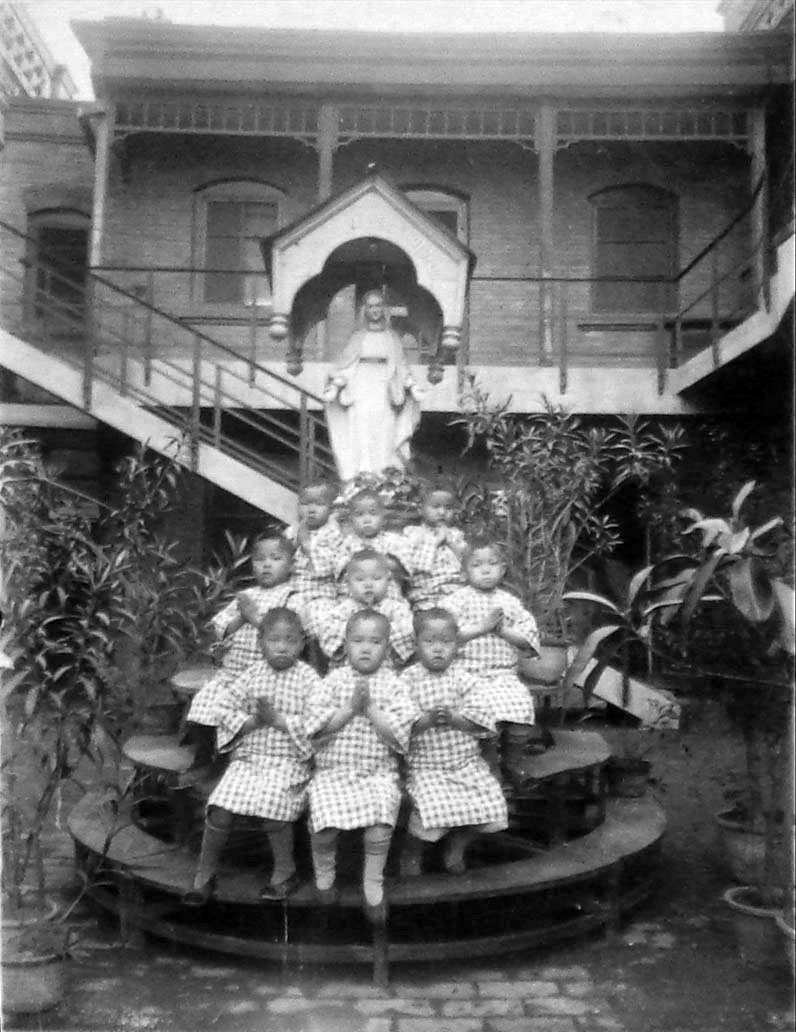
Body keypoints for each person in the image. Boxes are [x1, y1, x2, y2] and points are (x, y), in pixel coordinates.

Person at [183, 607, 319, 905]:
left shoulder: (309, 680)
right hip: (250, 759)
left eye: (290, 640)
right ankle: (205, 874)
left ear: (302, 644)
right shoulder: (252, 675)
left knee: (273, 805)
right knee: (220, 807)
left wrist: (278, 721)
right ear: (260, 643)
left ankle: (285, 871)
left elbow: (317, 723)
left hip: (289, 761)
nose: (282, 647)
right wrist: (252, 722)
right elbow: (223, 707)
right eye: (274, 640)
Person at [304, 609, 415, 924]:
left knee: (382, 813)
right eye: (358, 641)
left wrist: (372, 709)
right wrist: (351, 708)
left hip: (376, 772)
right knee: (323, 815)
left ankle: (372, 882)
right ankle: (324, 876)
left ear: (387, 647)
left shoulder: (394, 685)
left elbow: (399, 734)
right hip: (334, 772)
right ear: (346, 644)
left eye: (375, 642)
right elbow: (316, 729)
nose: (366, 648)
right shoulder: (332, 682)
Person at [401, 608, 508, 877]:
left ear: (457, 644)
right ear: (416, 644)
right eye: (429, 642)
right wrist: (425, 721)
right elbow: (398, 723)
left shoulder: (466, 679)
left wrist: (455, 719)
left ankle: (456, 847)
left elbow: (482, 721)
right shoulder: (407, 679)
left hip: (464, 763)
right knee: (431, 809)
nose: (438, 649)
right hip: (425, 766)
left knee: (491, 805)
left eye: (446, 642)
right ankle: (412, 852)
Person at [184, 531, 303, 734]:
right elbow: (222, 628)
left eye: (275, 559)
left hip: (268, 674)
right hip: (233, 673)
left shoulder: (292, 598)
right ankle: (206, 746)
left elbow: (286, 635)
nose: (266, 564)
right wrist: (241, 617)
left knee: (245, 714)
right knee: (206, 703)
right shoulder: (246, 595)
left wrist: (253, 616)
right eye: (260, 559)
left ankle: (227, 748)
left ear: (291, 565)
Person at [444, 537, 541, 784]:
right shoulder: (456, 601)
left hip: (503, 674)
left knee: (520, 704)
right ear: (464, 571)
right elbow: (445, 637)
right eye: (477, 565)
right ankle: (489, 763)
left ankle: (512, 762)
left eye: (492, 564)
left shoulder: (510, 603)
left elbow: (527, 639)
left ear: (503, 569)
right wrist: (481, 627)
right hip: (467, 674)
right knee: (482, 708)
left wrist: (502, 631)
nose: (485, 570)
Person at [323, 290, 421, 482]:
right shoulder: (358, 337)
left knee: (385, 429)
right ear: (365, 310)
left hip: (384, 388)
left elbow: (401, 366)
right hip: (361, 387)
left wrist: (412, 385)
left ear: (383, 309)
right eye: (370, 306)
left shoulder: (391, 337)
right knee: (362, 429)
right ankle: (363, 474)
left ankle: (384, 475)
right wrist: (334, 386)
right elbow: (346, 366)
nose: (374, 310)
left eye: (378, 306)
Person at [318, 549, 415, 668]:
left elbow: (408, 629)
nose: (368, 584)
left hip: (386, 670)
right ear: (348, 583)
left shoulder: (395, 608)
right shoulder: (343, 609)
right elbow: (328, 631)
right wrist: (362, 632)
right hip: (347, 670)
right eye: (360, 579)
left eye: (376, 578)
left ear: (388, 580)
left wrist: (376, 632)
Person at [287, 478, 344, 640]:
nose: (311, 510)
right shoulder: (294, 529)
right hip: (294, 591)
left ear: (331, 508)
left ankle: (320, 650)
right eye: (305, 504)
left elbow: (331, 565)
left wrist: (307, 544)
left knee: (321, 620)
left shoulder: (332, 532)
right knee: (283, 617)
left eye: (319, 504)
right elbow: (283, 554)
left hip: (321, 593)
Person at [401, 481, 466, 611]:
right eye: (435, 507)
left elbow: (466, 561)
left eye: (448, 508)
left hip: (455, 593)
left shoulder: (456, 534)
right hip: (426, 594)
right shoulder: (413, 533)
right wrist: (436, 542)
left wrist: (450, 542)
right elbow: (413, 565)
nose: (442, 512)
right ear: (420, 509)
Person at [337, 487, 410, 599]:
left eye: (373, 513)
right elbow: (339, 569)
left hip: (387, 595)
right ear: (351, 521)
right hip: (355, 596)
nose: (367, 520)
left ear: (383, 518)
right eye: (359, 515)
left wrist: (379, 562)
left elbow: (404, 567)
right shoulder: (347, 543)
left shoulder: (392, 541)